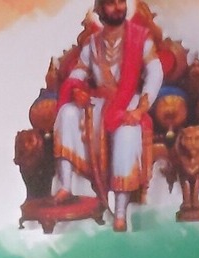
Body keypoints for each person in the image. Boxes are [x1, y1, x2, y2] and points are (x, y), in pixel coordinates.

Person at [52, 0, 163, 230]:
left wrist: (140, 110)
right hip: (99, 102)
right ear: (100, 9)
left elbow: (155, 72)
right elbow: (79, 72)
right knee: (67, 113)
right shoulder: (93, 43)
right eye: (111, 3)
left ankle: (120, 213)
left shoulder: (140, 38)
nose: (118, 7)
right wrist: (77, 90)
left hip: (128, 102)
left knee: (126, 132)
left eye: (121, 1)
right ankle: (65, 187)